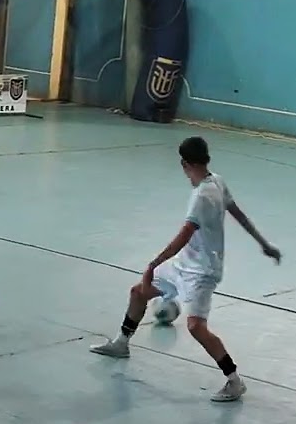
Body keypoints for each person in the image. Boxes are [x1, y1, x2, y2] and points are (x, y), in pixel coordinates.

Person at [89, 136, 281, 403]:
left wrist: (152, 265)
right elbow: (239, 214)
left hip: (202, 272)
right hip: (183, 265)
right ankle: (121, 343)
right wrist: (264, 243)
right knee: (138, 292)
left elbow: (183, 236)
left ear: (185, 164)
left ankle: (234, 381)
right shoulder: (218, 181)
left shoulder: (201, 195)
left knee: (195, 326)